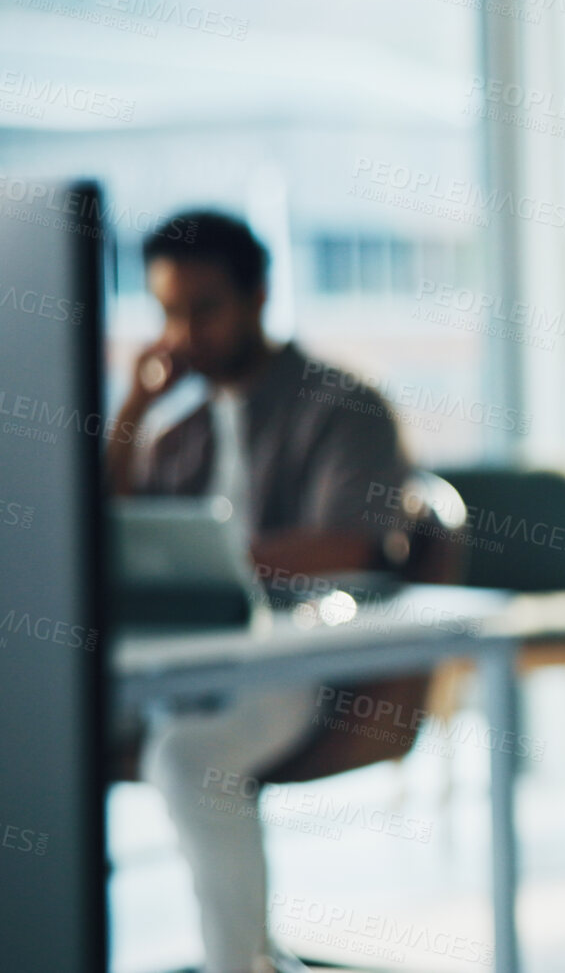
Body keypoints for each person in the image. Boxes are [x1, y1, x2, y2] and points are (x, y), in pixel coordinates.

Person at [109, 209, 413, 973]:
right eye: (168, 313)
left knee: (186, 759)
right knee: (34, 723)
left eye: (203, 308)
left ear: (258, 295)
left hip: (297, 660)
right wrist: (132, 412)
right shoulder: (179, 435)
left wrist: (225, 559)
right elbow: (104, 539)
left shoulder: (342, 403)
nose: (183, 335)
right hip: (180, 666)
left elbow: (353, 541)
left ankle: (239, 964)